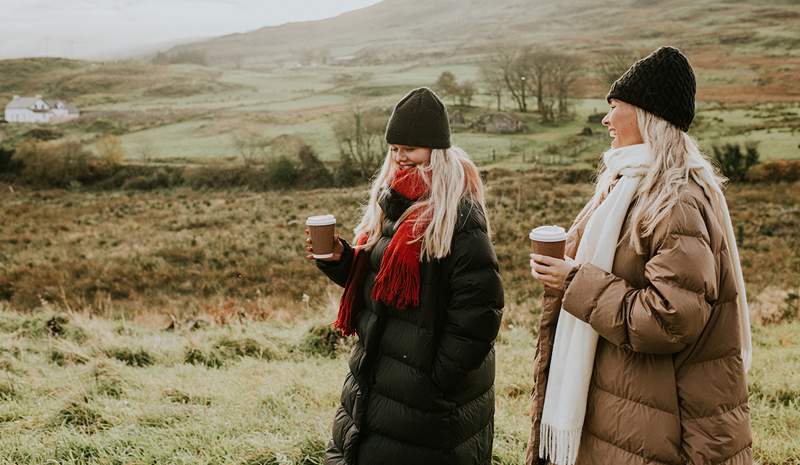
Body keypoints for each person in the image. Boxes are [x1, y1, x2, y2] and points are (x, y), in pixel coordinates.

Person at [525, 47, 753, 465]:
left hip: (663, 424)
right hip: (630, 407)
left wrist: (573, 282)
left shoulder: (675, 201)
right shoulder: (623, 184)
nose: (605, 119)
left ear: (647, 115)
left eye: (615, 108)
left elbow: (671, 318)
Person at [306, 87, 504, 465]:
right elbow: (382, 286)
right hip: (375, 386)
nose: (400, 158)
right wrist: (342, 259)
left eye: (410, 149)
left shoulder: (457, 217)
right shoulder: (392, 203)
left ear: (436, 150)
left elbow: (481, 312)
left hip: (426, 407)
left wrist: (433, 380)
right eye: (395, 148)